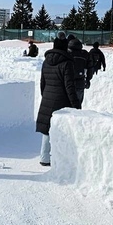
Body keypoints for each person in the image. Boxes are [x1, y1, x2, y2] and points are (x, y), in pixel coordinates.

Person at [36, 34, 81, 166]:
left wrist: (45, 96)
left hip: (48, 97)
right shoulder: (67, 63)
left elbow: (42, 82)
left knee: (47, 129)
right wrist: (76, 105)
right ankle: (59, 157)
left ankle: (44, 157)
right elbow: (69, 86)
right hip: (61, 100)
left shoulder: (46, 61)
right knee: (61, 129)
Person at [68, 36, 92, 103]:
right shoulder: (85, 54)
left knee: (67, 106)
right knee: (77, 105)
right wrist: (88, 79)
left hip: (68, 83)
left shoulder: (67, 53)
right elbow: (90, 68)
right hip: (80, 83)